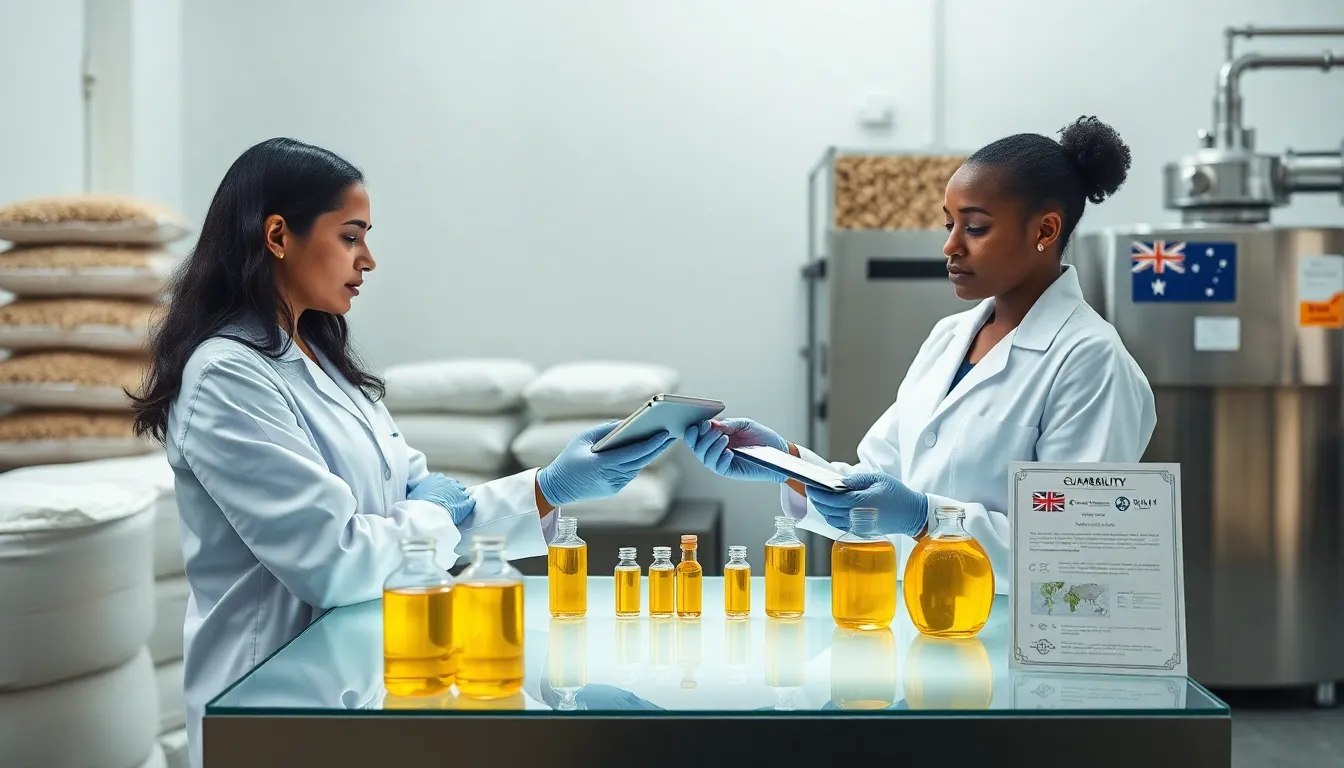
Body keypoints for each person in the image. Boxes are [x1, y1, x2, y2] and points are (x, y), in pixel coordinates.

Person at [129, 137, 675, 767]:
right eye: (350, 237)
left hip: (366, 678)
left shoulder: (322, 360)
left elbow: (422, 511)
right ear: (278, 235)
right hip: (273, 701)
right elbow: (334, 561)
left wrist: (550, 486)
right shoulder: (227, 375)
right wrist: (434, 513)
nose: (368, 259)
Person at [685, 115, 1156, 591]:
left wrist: (925, 518)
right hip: (914, 618)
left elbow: (1076, 549)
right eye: (950, 224)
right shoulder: (948, 338)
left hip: (1012, 629)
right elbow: (873, 484)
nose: (950, 246)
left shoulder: (1091, 362)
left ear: (1046, 230)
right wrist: (784, 464)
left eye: (975, 227)